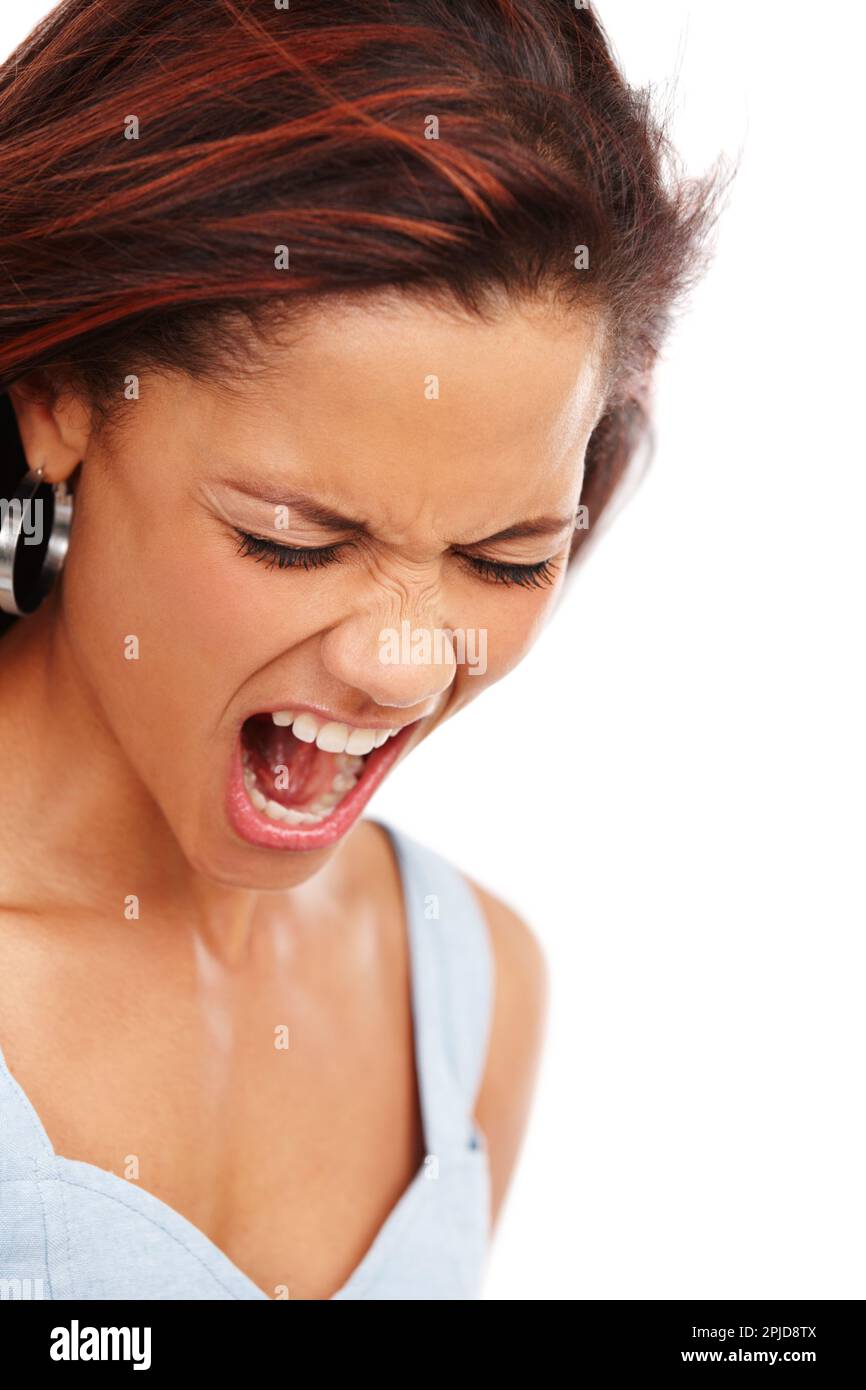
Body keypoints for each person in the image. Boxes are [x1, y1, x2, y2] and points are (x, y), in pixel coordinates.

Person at [0, 0, 723, 1300]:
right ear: (56, 400)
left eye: (505, 556)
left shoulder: (470, 995)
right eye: (291, 538)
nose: (403, 662)